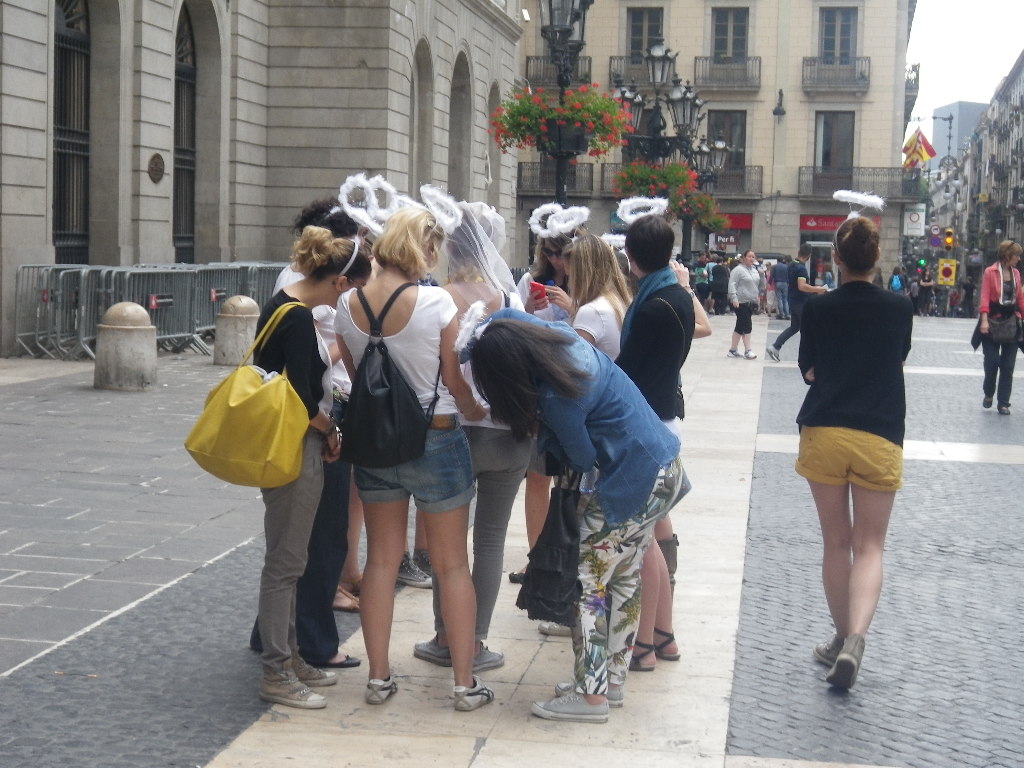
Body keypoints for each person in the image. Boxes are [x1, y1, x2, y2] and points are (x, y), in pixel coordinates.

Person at [466, 309, 686, 723]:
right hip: (664, 469)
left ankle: (591, 695)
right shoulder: (562, 340)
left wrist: (544, 429)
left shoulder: (555, 396)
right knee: (624, 577)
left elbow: (583, 458)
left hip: (633, 482)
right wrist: (477, 338)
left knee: (587, 584)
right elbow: (510, 316)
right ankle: (610, 682)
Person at [334, 206, 495, 711]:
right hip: (437, 438)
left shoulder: (348, 304)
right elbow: (454, 380)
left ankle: (379, 677)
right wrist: (478, 409)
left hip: (376, 443)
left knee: (381, 561)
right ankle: (464, 684)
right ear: (421, 247)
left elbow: (357, 378)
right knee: (452, 565)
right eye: (433, 248)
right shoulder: (435, 303)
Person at [250, 204, 372, 665]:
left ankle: (287, 650)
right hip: (299, 441)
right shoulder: (299, 317)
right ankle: (285, 662)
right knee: (294, 556)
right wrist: (332, 430)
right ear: (339, 282)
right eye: (354, 290)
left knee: (290, 553)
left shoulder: (284, 304)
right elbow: (302, 398)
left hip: (284, 437)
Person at [413, 201, 530, 673]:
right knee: (491, 541)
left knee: (448, 544)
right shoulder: (510, 299)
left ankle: (446, 635)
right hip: (506, 433)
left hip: (454, 432)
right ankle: (476, 640)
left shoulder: (437, 298)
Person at [797, 216, 913, 689]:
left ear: (836, 260)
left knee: (836, 542)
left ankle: (840, 638)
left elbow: (808, 370)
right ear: (877, 257)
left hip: (825, 429)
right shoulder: (900, 307)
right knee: (870, 546)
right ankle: (857, 640)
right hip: (879, 432)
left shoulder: (818, 308)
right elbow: (898, 356)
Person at [510, 207, 587, 605]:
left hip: (574, 387)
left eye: (562, 252)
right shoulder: (531, 280)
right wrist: (529, 310)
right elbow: (518, 329)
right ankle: (536, 557)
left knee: (570, 479)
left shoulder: (588, 283)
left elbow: (594, 331)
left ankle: (568, 556)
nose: (556, 260)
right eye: (550, 252)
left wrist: (571, 306)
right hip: (540, 384)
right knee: (537, 475)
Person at [547, 233, 633, 359]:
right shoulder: (619, 301)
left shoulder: (591, 311)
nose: (570, 283)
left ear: (582, 275)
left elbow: (577, 364)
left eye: (571, 276)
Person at [974, 240, 1024, 415]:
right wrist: (984, 320)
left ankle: (1003, 403)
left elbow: (1020, 299)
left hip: (1011, 323)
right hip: (992, 323)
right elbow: (985, 297)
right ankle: (989, 392)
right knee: (992, 362)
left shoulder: (1016, 273)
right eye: (1016, 255)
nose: (1019, 259)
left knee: (1008, 366)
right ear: (1008, 256)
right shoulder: (990, 272)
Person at [766, 243, 828, 362]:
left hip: (793, 301)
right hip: (801, 302)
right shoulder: (801, 268)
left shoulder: (792, 265)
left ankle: (775, 347)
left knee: (795, 327)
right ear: (809, 255)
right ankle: (813, 355)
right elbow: (802, 286)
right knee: (810, 327)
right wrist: (818, 289)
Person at [727, 249, 763, 360]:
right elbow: (732, 284)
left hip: (751, 301)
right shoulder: (738, 270)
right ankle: (748, 350)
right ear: (743, 258)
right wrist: (734, 298)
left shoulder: (755, 270)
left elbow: (759, 285)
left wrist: (762, 276)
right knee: (747, 325)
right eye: (749, 256)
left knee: (740, 326)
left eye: (753, 257)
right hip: (740, 301)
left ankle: (733, 350)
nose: (752, 258)